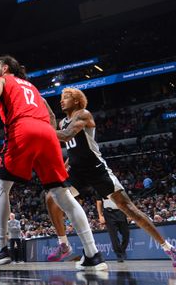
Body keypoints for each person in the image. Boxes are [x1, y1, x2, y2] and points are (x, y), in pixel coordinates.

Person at [0, 56, 106, 270]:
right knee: (62, 194)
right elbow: (49, 115)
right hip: (48, 133)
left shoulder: (2, 80)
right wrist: (45, 134)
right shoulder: (31, 87)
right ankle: (93, 255)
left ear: (4, 68)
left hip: (23, 128)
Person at [44, 87, 176, 265]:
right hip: (77, 171)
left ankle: (168, 247)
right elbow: (71, 148)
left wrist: (42, 129)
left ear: (76, 100)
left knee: (129, 209)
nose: (61, 100)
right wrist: (64, 165)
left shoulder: (83, 114)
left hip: (96, 169)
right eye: (61, 98)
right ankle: (63, 244)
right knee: (51, 198)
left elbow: (67, 136)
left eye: (66, 97)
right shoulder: (61, 123)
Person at [97, 196, 129, 262]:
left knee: (126, 233)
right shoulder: (101, 188)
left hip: (121, 212)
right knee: (113, 235)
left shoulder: (118, 187)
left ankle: (122, 250)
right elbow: (99, 202)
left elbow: (125, 200)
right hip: (108, 213)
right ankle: (119, 254)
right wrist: (100, 216)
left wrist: (128, 214)